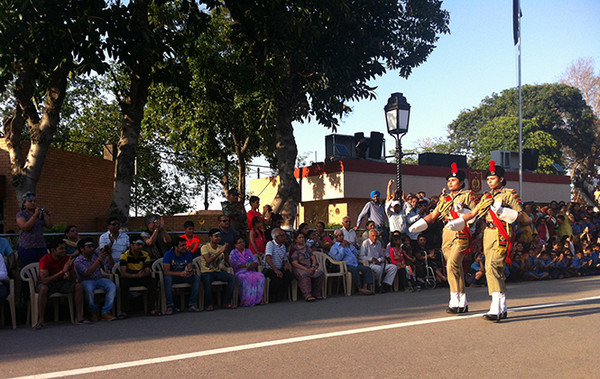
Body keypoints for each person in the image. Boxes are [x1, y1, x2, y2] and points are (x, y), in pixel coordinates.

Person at [447, 161, 526, 322]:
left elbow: (523, 216)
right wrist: (459, 220)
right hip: (488, 232)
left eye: (493, 178)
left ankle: (496, 306)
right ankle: (501, 306)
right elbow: (475, 213)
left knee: (492, 267)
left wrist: (504, 211)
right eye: (488, 179)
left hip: (501, 231)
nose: (490, 181)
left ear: (502, 179)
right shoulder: (487, 196)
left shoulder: (509, 194)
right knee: (492, 267)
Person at [409, 163, 477, 314]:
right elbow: (433, 215)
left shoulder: (467, 195)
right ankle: (462, 301)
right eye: (449, 181)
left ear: (461, 182)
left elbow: (475, 214)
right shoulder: (444, 199)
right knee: (454, 267)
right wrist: (420, 224)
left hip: (461, 231)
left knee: (452, 264)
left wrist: (463, 212)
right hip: (446, 232)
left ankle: (454, 299)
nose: (450, 183)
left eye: (453, 180)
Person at [35, 239, 87, 329]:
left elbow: (73, 279)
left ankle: (79, 317)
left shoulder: (67, 258)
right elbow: (45, 280)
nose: (64, 251)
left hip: (61, 282)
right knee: (43, 289)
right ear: (53, 250)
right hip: (48, 283)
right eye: (61, 249)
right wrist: (63, 271)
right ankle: (41, 320)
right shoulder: (45, 259)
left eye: (64, 248)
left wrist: (70, 269)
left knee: (78, 286)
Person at [73, 238, 117, 321]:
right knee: (89, 289)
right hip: (86, 281)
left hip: (99, 279)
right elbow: (88, 273)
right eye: (89, 247)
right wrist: (99, 260)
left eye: (93, 246)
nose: (92, 249)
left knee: (112, 286)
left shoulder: (96, 254)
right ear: (82, 249)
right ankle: (93, 312)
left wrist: (109, 255)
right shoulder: (78, 261)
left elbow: (110, 265)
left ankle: (105, 312)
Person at [119, 236, 159, 317]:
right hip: (130, 276)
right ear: (131, 245)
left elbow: (148, 270)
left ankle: (151, 309)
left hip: (141, 276)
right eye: (137, 244)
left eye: (141, 244)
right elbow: (123, 273)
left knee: (152, 281)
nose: (140, 246)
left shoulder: (145, 255)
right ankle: (125, 311)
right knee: (123, 283)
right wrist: (135, 275)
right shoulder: (124, 256)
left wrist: (144, 273)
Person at [162, 238, 202, 314]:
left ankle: (192, 305)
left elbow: (190, 268)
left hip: (183, 276)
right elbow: (166, 272)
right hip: (172, 276)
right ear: (175, 247)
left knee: (196, 278)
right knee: (167, 279)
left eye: (185, 245)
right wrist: (180, 273)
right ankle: (170, 306)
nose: (185, 247)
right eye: (182, 245)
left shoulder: (187, 254)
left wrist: (190, 272)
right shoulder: (168, 254)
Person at [199, 229, 236, 310]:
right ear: (210, 237)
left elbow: (227, 261)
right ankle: (210, 304)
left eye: (219, 236)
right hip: (206, 272)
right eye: (216, 236)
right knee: (207, 279)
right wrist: (220, 252)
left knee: (232, 277)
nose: (218, 238)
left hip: (217, 272)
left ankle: (227, 302)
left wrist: (225, 252)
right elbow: (208, 260)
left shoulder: (220, 247)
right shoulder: (204, 247)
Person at [329, 230, 373, 295]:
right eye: (340, 236)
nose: (342, 237)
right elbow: (337, 259)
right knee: (355, 270)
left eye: (342, 235)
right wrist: (343, 248)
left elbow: (356, 253)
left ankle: (365, 287)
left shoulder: (347, 245)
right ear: (336, 237)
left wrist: (350, 245)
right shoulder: (334, 247)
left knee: (367, 269)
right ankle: (359, 288)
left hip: (354, 264)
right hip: (344, 265)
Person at [16, 192, 53, 267]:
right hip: (27, 246)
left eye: (34, 201)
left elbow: (49, 226)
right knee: (29, 268)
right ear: (24, 203)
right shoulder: (21, 214)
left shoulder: (40, 214)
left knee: (44, 267)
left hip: (40, 245)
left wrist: (48, 216)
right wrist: (34, 215)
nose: (33, 203)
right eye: (30, 201)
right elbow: (25, 227)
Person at [289, 231, 325, 301]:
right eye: (300, 238)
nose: (302, 239)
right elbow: (294, 263)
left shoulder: (307, 247)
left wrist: (313, 266)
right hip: (299, 267)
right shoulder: (294, 249)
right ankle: (307, 295)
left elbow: (313, 258)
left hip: (309, 266)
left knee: (320, 274)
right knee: (305, 275)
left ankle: (316, 293)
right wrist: (306, 269)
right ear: (296, 240)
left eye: (303, 237)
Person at [229, 237, 264, 307]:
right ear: (235, 245)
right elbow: (234, 264)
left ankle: (257, 300)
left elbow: (255, 261)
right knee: (246, 278)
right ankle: (247, 301)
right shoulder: (233, 253)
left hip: (251, 270)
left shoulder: (248, 251)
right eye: (240, 242)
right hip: (240, 272)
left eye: (243, 242)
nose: (242, 244)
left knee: (260, 276)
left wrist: (253, 264)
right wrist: (247, 265)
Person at [264, 228, 294, 302]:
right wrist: (276, 270)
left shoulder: (283, 246)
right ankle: (273, 296)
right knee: (275, 276)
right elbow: (268, 259)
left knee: (289, 275)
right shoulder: (270, 244)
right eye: (282, 235)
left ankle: (282, 294)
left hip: (279, 267)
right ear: (277, 237)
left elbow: (284, 259)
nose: (284, 237)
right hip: (270, 268)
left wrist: (285, 264)